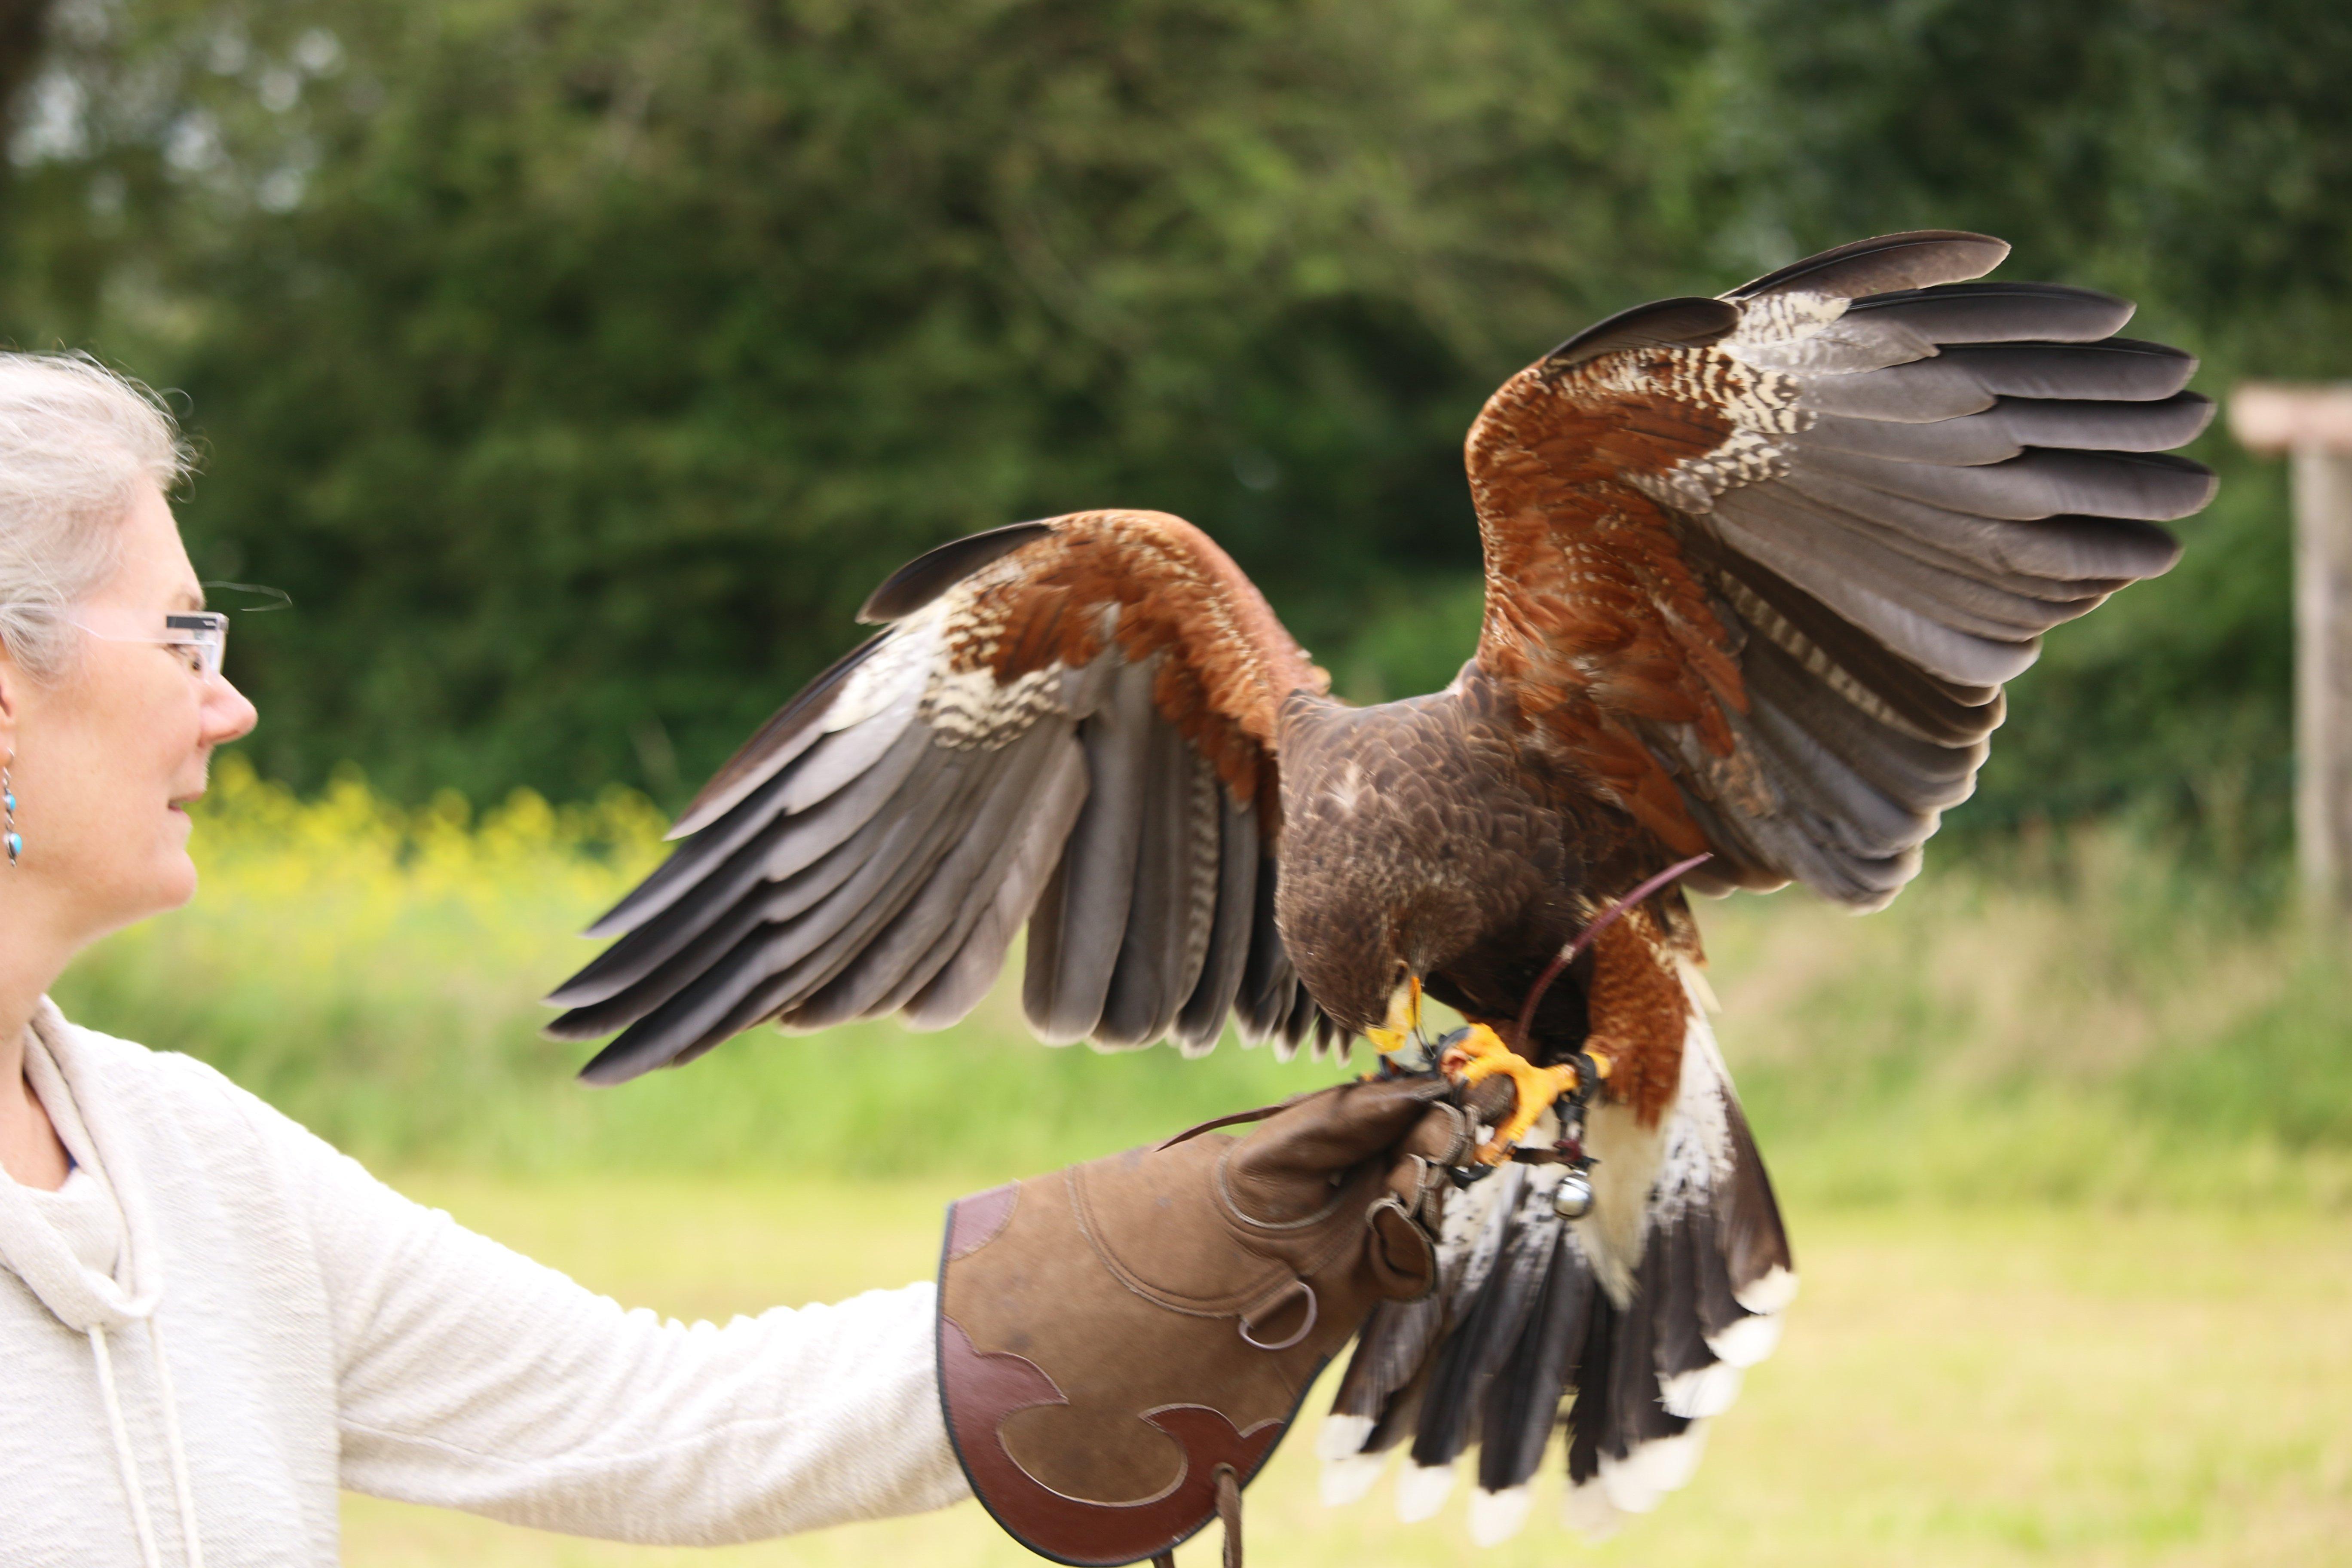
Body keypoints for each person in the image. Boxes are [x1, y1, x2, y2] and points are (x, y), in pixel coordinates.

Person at [0, 353, 1455, 1568]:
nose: (232, 705)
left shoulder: (195, 1165)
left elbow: (654, 1417)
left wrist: (1171, 1264)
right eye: (184, 639)